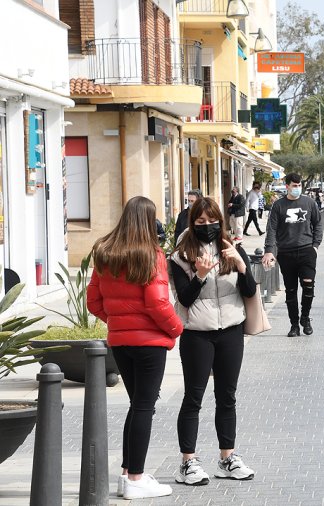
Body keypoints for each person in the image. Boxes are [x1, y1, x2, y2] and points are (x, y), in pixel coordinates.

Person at [86, 196, 183, 500]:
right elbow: (157, 302)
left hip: (121, 342)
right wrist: (176, 328)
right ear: (148, 220)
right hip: (149, 342)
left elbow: (93, 302)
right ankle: (137, 478)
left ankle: (128, 474)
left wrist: (118, 321)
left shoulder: (105, 252)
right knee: (144, 406)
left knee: (137, 404)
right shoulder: (150, 254)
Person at [169, 197, 257, 486]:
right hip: (197, 333)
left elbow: (249, 290)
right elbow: (184, 298)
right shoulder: (181, 255)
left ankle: (227, 457)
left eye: (212, 221)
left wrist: (242, 266)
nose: (208, 226)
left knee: (227, 396)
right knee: (194, 397)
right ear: (192, 223)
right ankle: (187, 462)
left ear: (221, 221)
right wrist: (200, 275)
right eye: (201, 222)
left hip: (231, 329)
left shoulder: (232, 248)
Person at [262, 173, 323, 337]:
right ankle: (294, 324)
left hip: (307, 251)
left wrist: (315, 246)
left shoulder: (309, 203)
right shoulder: (278, 206)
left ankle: (305, 317)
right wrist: (269, 250)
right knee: (290, 290)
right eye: (294, 185)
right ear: (287, 186)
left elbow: (318, 224)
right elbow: (272, 229)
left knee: (308, 284)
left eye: (299, 185)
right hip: (286, 252)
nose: (297, 188)